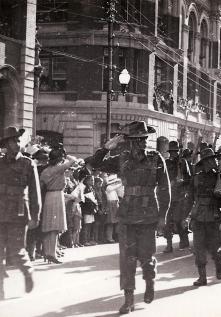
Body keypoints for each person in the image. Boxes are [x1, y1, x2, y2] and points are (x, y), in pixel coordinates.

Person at [91, 121, 171, 314]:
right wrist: (105, 148)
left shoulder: (156, 158)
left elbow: (164, 188)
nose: (140, 144)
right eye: (135, 140)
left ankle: (150, 281)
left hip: (149, 215)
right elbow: (95, 165)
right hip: (127, 215)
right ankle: (128, 300)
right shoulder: (121, 159)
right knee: (126, 259)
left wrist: (163, 216)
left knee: (146, 256)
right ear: (128, 142)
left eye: (143, 140)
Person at [0, 127, 42, 303]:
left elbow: (35, 192)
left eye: (18, 141)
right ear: (6, 145)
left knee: (17, 250)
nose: (17, 144)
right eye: (13, 141)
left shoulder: (27, 163)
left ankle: (27, 271)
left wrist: (35, 214)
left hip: (18, 211)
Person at [190, 147, 221, 287]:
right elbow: (190, 197)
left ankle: (219, 265)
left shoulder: (220, 177)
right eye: (208, 160)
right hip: (199, 216)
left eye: (213, 159)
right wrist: (187, 216)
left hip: (214, 215)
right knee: (198, 247)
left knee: (216, 247)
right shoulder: (196, 178)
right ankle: (202, 277)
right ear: (204, 162)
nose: (211, 161)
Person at [40, 146, 77, 264]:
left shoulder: (46, 170)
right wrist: (65, 155)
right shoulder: (58, 168)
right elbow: (73, 160)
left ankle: (48, 252)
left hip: (48, 197)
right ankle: (51, 253)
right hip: (57, 196)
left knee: (49, 227)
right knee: (55, 228)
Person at [163, 140, 192, 252]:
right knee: (167, 221)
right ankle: (169, 244)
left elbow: (189, 179)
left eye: (175, 151)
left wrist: (181, 182)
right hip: (168, 195)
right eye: (172, 152)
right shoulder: (166, 162)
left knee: (179, 220)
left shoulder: (183, 162)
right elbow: (162, 178)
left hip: (180, 196)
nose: (173, 154)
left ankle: (184, 241)